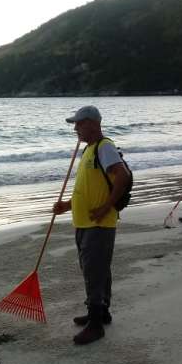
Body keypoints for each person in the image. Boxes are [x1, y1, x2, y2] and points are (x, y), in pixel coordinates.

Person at [52, 106, 131, 345]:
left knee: (93, 271)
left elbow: (123, 176)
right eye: (75, 124)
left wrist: (107, 206)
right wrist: (67, 205)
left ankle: (95, 325)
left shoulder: (104, 147)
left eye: (79, 123)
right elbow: (88, 187)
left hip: (98, 223)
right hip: (85, 222)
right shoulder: (89, 149)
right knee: (97, 269)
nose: (75, 128)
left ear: (93, 124)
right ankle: (101, 311)